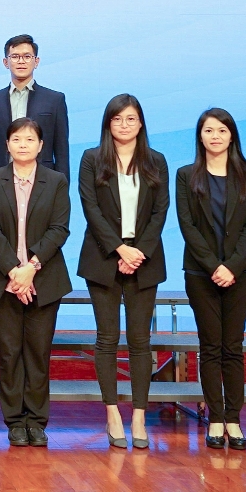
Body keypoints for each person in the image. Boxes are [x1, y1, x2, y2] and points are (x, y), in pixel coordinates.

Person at [77, 95, 169, 450]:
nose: (124, 125)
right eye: (117, 119)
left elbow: (160, 212)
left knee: (140, 341)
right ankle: (113, 413)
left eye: (131, 119)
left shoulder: (156, 161)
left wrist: (137, 251)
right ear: (108, 124)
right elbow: (91, 208)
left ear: (140, 123)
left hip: (144, 259)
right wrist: (119, 248)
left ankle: (139, 417)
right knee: (107, 338)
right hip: (104, 257)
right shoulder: (92, 159)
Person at [0, 118, 72, 448]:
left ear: (41, 145)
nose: (22, 144)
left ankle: (37, 421)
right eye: (16, 139)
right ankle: (15, 421)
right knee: (9, 353)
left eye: (30, 139)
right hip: (3, 280)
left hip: (44, 279)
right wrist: (13, 271)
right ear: (7, 144)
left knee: (38, 353)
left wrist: (30, 268)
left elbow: (59, 229)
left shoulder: (56, 180)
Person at [176, 108, 246, 451]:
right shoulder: (186, 175)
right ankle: (215, 418)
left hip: (240, 274)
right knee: (210, 346)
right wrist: (214, 266)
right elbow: (188, 226)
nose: (215, 136)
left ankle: (234, 419)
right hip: (201, 273)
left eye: (222, 131)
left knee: (233, 347)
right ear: (200, 136)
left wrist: (232, 267)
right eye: (209, 130)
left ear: (232, 136)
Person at [0, 34, 70, 185]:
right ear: (6, 62)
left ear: (36, 61)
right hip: (1, 182)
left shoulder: (55, 100)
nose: (21, 61)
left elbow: (61, 151)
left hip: (43, 182)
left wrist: (62, 188)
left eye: (27, 56)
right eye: (15, 56)